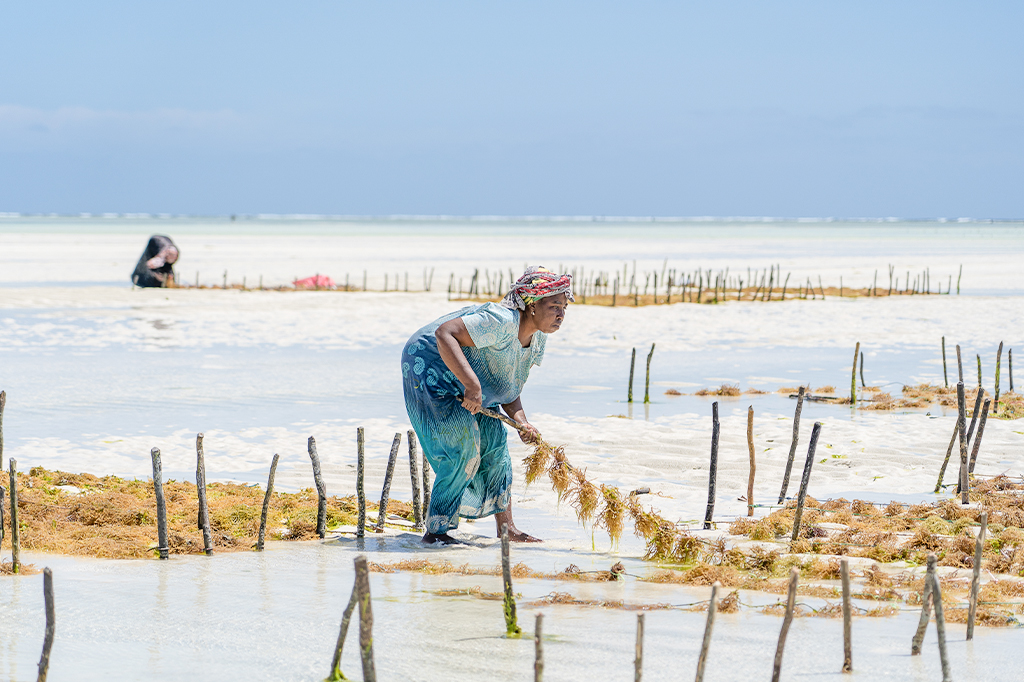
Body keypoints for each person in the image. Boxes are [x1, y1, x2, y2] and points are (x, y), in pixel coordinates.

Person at [402, 267, 572, 545]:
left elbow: (508, 385)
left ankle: (508, 529)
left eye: (564, 307)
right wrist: (472, 385)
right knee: (462, 448)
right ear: (530, 305)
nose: (561, 314)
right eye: (554, 306)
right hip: (429, 366)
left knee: (496, 446)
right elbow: (445, 334)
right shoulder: (501, 321)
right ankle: (436, 531)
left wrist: (521, 422)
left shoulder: (538, 338)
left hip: (470, 382)